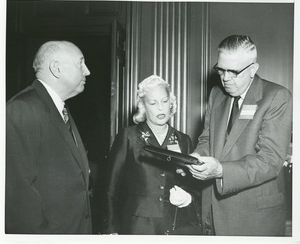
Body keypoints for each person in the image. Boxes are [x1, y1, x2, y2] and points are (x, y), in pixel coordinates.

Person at [187, 35, 292, 236]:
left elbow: (269, 161)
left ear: (253, 69)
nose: (226, 78)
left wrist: (220, 171)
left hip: (255, 219)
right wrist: (197, 157)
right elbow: (207, 139)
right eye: (221, 69)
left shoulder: (277, 97)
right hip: (213, 212)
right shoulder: (217, 95)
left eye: (234, 72)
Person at [6, 40, 92, 234]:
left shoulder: (59, 109)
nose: (87, 71)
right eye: (81, 63)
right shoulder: (22, 109)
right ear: (56, 68)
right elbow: (18, 198)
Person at [106, 75, 202, 235]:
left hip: (176, 224)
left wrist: (188, 198)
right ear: (143, 106)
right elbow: (110, 187)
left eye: (164, 101)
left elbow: (194, 184)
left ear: (171, 103)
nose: (160, 108)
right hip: (138, 225)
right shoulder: (129, 137)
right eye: (153, 103)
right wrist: (109, 229)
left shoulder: (183, 140)